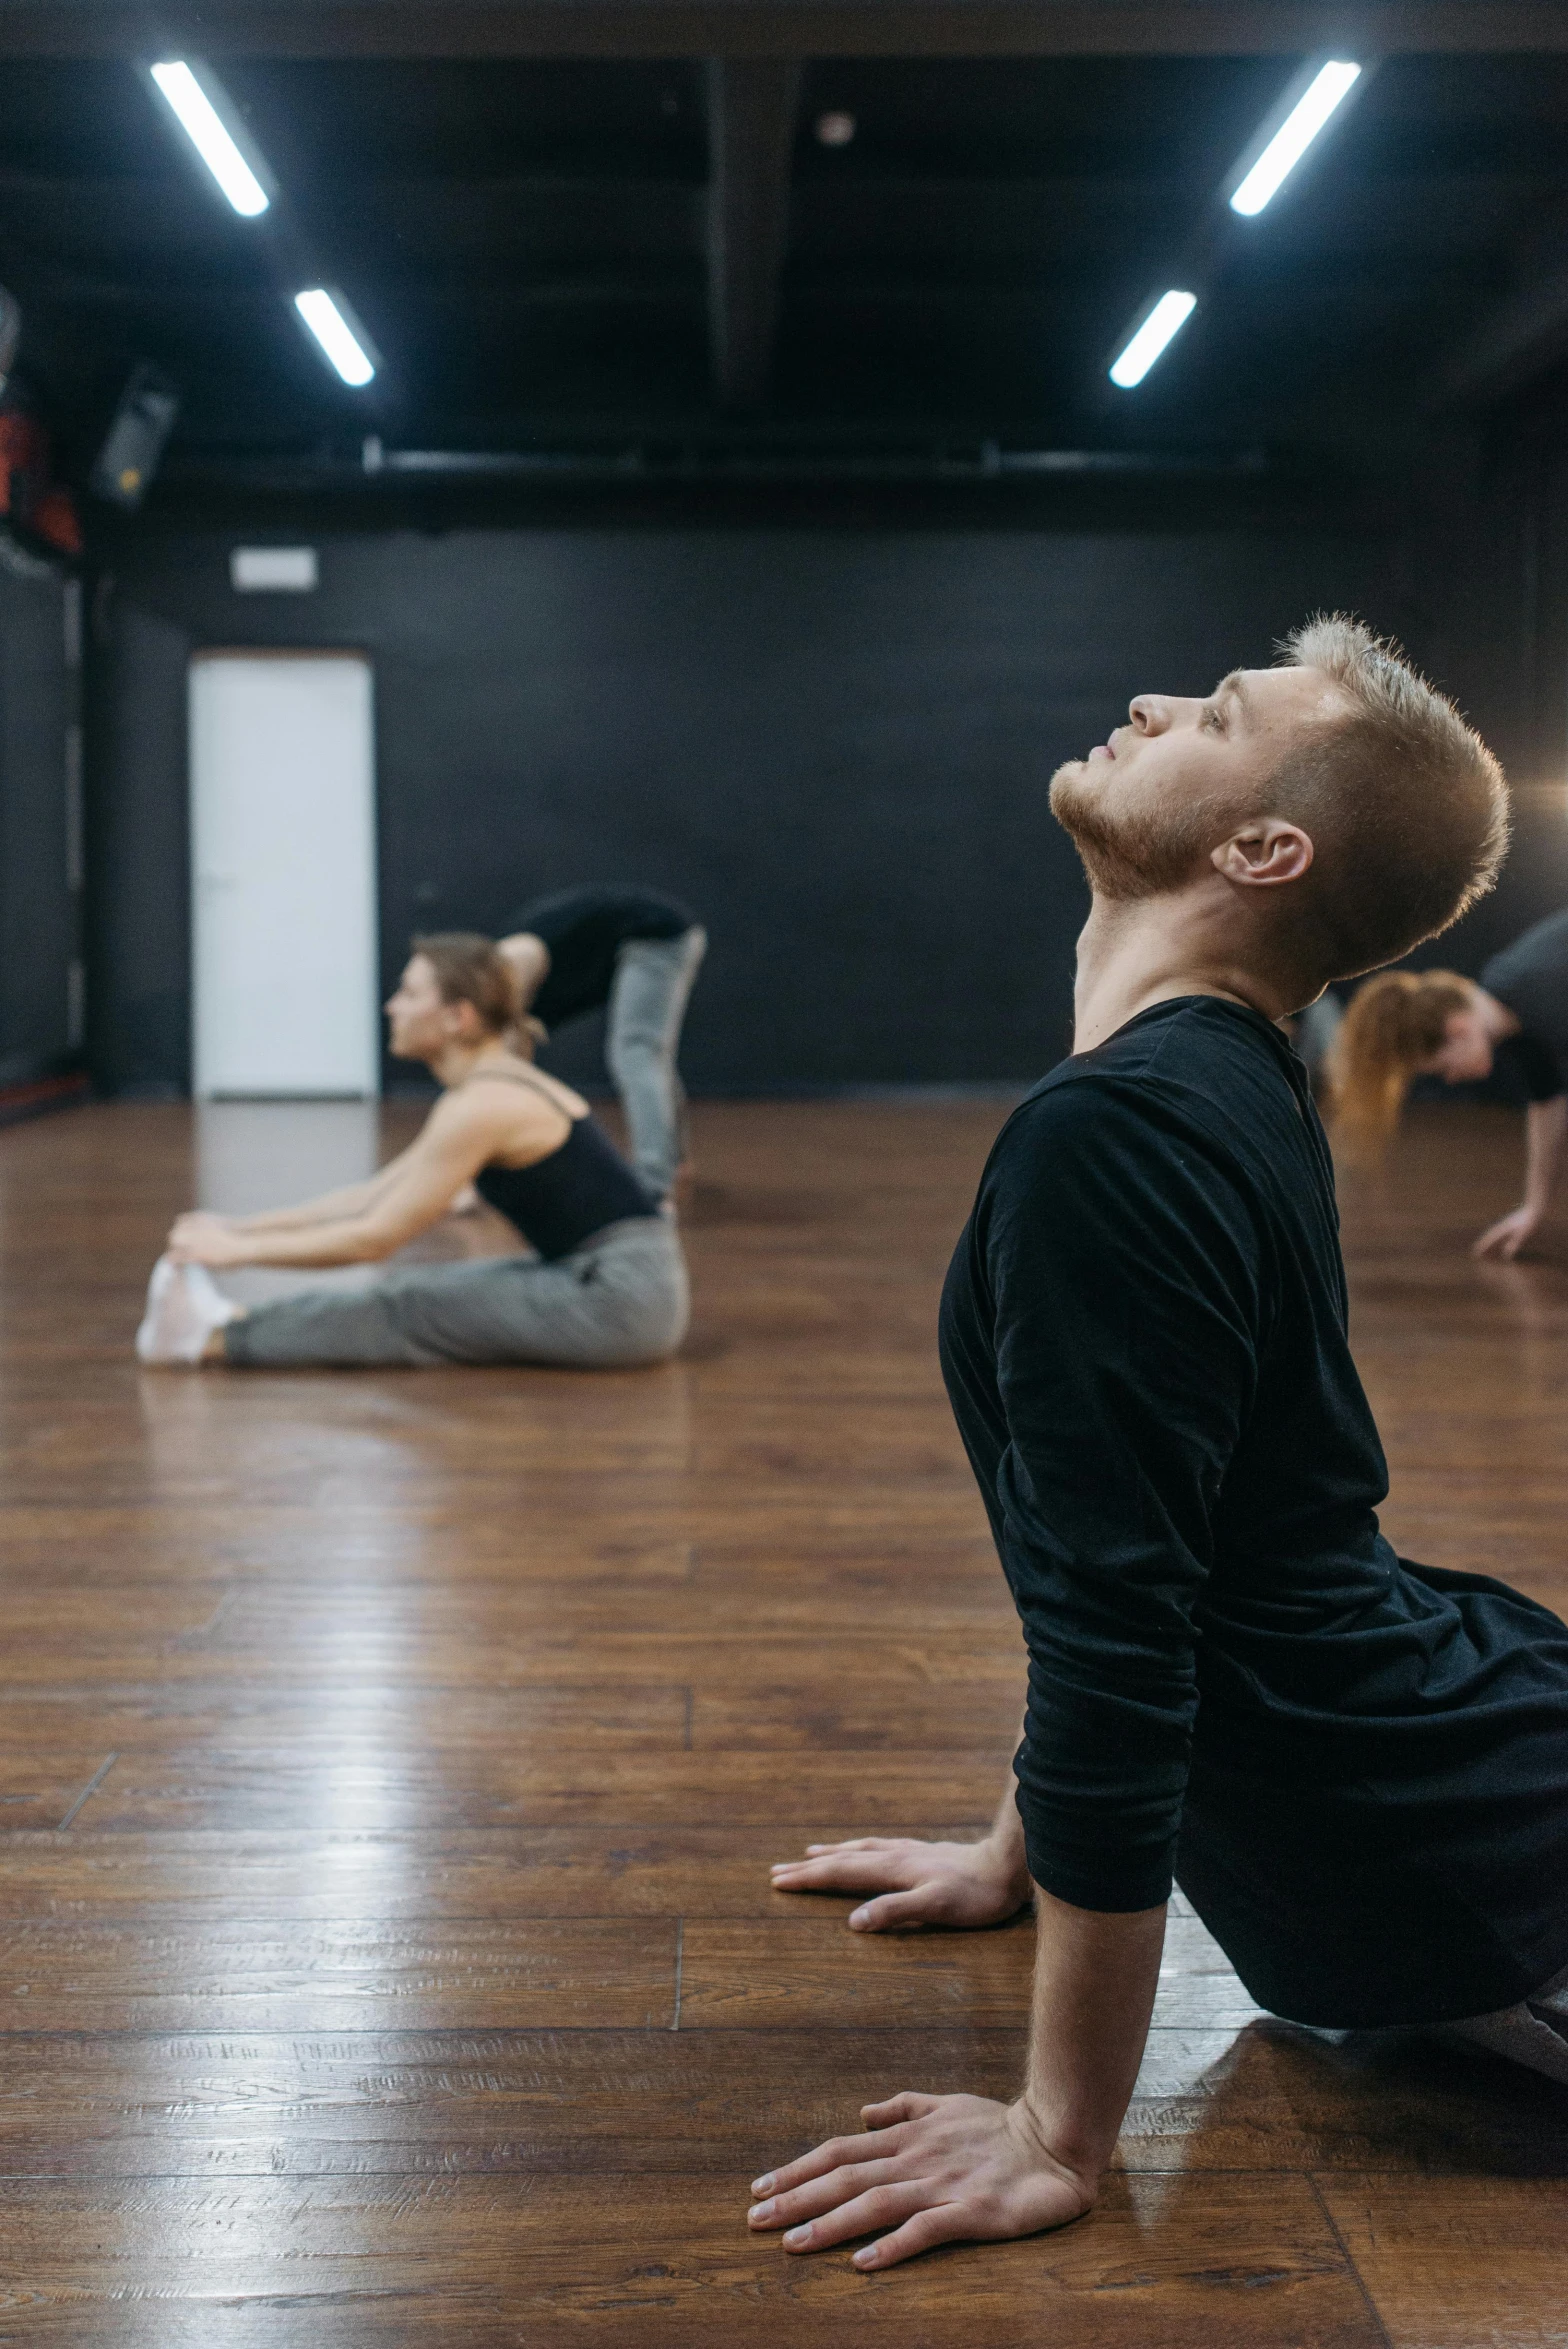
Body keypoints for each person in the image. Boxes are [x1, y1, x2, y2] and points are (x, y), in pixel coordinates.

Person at [748, 618, 1568, 2276]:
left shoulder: (1126, 1126)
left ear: (1262, 846)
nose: (1144, 701)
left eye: (1213, 710)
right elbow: (1141, 1543)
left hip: (1457, 1825)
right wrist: (1010, 1849)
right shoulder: (1200, 1085)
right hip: (1432, 1753)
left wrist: (1058, 2127)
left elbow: (1126, 1627)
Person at [134, 933, 688, 1370]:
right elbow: (374, 1195)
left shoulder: (485, 1103)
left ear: (457, 1017)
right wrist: (240, 1228)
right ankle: (227, 1324)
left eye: (410, 993)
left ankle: (206, 1341)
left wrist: (239, 1254)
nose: (391, 1005)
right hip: (614, 1285)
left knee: (409, 1307)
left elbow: (375, 1238)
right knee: (421, 1292)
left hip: (618, 1300)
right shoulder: (490, 1087)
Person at [1329, 911, 1568, 1259]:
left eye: (1443, 1069)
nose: (1452, 1079)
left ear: (1458, 1029)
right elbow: (1547, 1102)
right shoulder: (1517, 1011)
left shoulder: (1540, 990)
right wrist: (1535, 1206)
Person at [497, 887, 706, 1202]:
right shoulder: (504, 991)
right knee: (647, 1053)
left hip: (653, 935)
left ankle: (652, 1185)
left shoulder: (506, 966)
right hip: (654, 933)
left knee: (636, 1051)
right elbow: (513, 1064)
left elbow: (503, 1072)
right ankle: (674, 1162)